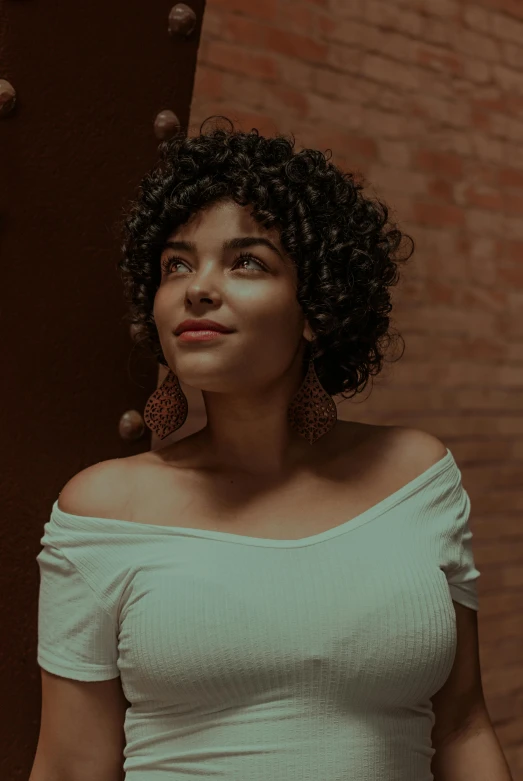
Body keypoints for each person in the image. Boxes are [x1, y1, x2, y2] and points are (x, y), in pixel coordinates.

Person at [31, 118, 507, 781]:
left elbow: (460, 724)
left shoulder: (417, 477)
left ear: (313, 306)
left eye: (245, 261)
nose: (198, 286)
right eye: (176, 264)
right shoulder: (103, 508)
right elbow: (70, 765)